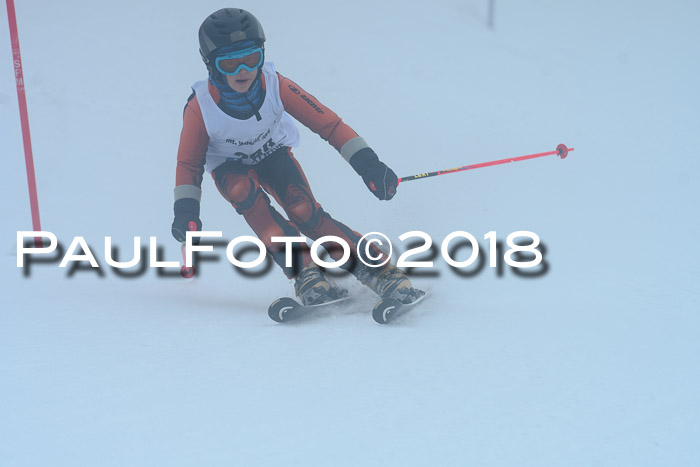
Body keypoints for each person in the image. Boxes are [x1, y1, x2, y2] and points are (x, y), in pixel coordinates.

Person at [171, 7, 422, 306]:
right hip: (230, 167)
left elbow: (329, 125)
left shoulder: (276, 85)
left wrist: (369, 165)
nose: (243, 72)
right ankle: (305, 272)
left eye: (251, 59)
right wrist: (186, 211)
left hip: (272, 155)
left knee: (304, 211)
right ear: (211, 65)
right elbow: (189, 164)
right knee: (243, 192)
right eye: (230, 63)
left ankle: (380, 271)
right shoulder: (200, 108)